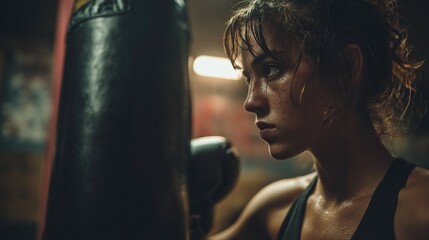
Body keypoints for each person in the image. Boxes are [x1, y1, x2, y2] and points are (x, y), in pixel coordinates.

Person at [208, 0, 429, 239]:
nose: (251, 102)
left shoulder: (420, 209)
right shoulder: (275, 209)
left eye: (271, 69)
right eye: (248, 79)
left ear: (345, 68)